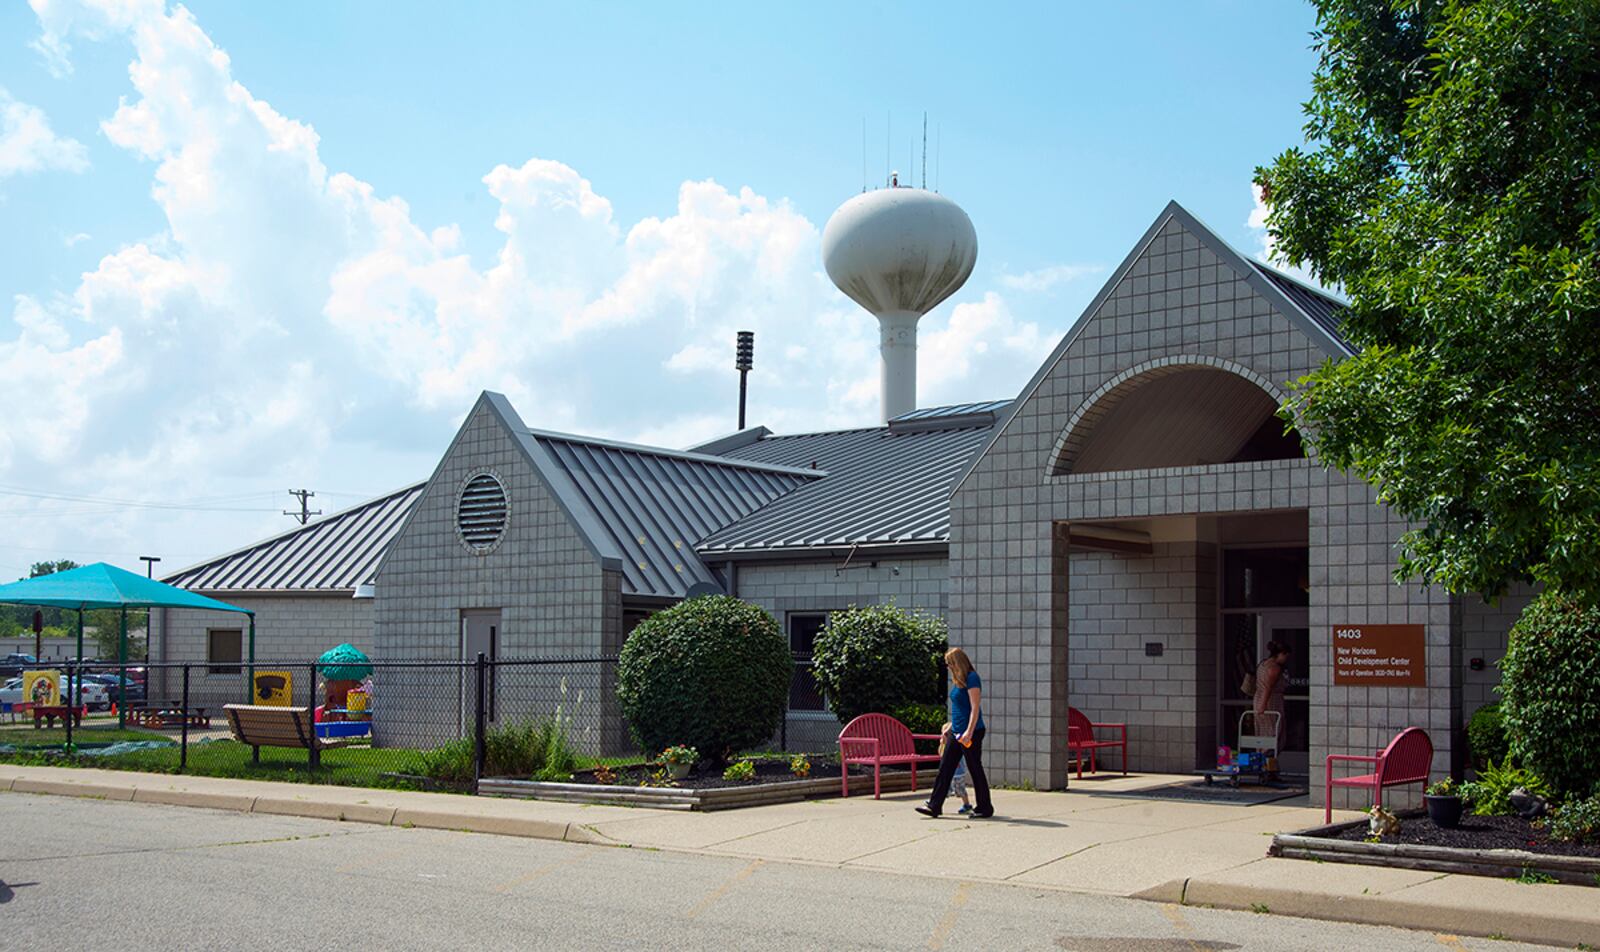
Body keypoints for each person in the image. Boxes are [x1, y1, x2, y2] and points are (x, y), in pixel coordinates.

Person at [916, 647, 993, 818]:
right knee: (945, 767)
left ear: (958, 662)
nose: (949, 667)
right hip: (956, 732)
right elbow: (959, 710)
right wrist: (949, 728)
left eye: (950, 664)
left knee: (975, 768)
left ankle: (985, 807)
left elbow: (974, 708)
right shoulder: (959, 680)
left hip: (971, 732)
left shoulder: (972, 678)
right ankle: (934, 805)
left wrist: (969, 732)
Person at [1252, 639, 1291, 757]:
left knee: (1263, 732)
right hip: (1270, 702)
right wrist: (1263, 705)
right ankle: (1267, 761)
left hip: (1258, 699)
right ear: (1281, 654)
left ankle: (1265, 760)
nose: (1286, 659)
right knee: (1273, 731)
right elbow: (1268, 688)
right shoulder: (1274, 668)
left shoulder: (1263, 664)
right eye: (1286, 656)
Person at [937, 721, 974, 814]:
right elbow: (940, 753)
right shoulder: (946, 746)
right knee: (944, 789)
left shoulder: (956, 745)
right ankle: (937, 804)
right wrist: (942, 744)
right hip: (949, 773)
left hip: (958, 772)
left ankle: (967, 805)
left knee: (960, 789)